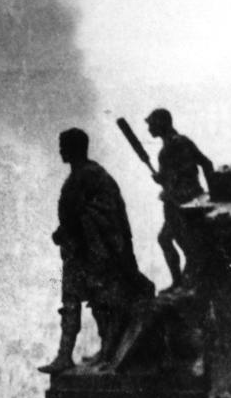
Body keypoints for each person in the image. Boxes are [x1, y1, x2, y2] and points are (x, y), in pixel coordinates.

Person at [41, 129, 155, 375]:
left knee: (101, 303)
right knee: (74, 302)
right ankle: (66, 356)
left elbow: (97, 213)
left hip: (95, 252)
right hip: (78, 251)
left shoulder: (90, 176)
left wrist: (65, 231)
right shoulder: (84, 175)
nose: (60, 150)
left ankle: (106, 352)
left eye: (63, 145)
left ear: (75, 148)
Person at [145, 108, 217, 289]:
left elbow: (195, 168)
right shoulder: (179, 142)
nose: (149, 129)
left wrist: (163, 180)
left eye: (152, 124)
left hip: (181, 203)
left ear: (161, 124)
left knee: (181, 242)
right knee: (171, 240)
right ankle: (182, 280)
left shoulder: (172, 147)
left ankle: (186, 280)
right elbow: (204, 164)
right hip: (185, 200)